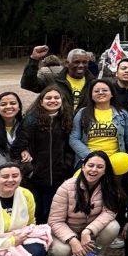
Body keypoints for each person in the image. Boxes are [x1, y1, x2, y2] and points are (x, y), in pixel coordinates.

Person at [47, 151, 124, 256]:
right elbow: (55, 221)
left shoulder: (110, 187)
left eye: (99, 167)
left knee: (113, 227)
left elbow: (109, 213)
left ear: (105, 171)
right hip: (67, 230)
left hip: (90, 231)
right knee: (61, 251)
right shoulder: (66, 187)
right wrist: (73, 240)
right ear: (83, 167)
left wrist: (87, 231)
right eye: (90, 165)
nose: (94, 170)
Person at [12, 87, 77, 224]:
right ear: (41, 101)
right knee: (37, 211)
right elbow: (16, 148)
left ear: (62, 101)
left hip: (58, 175)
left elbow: (69, 147)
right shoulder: (31, 121)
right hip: (35, 177)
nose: (52, 101)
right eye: (48, 98)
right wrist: (29, 168)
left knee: (54, 211)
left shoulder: (66, 119)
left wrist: (66, 166)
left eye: (56, 98)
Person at [68, 79, 128, 165]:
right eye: (96, 91)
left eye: (105, 90)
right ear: (91, 95)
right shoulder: (82, 113)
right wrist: (92, 157)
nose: (100, 93)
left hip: (116, 162)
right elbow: (74, 139)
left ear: (112, 94)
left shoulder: (123, 114)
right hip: (88, 161)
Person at [21, 46, 96, 112]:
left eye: (84, 62)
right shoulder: (53, 80)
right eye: (76, 62)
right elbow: (28, 84)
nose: (81, 65)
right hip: (59, 125)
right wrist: (34, 60)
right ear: (67, 63)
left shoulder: (94, 84)